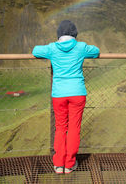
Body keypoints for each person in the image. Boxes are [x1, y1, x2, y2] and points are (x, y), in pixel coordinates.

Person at [32, 20, 100, 174]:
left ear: (59, 35)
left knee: (61, 128)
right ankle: (70, 164)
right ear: (75, 34)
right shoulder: (81, 47)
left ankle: (58, 164)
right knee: (74, 128)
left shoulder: (52, 48)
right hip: (77, 93)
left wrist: (53, 45)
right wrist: (82, 46)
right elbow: (96, 51)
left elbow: (35, 51)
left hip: (59, 95)